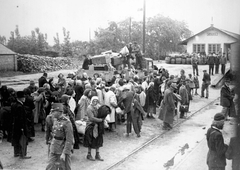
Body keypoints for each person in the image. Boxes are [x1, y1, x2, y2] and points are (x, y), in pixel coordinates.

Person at [46, 103, 74, 170]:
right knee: (50, 166)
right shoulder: (55, 119)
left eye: (53, 111)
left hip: (62, 148)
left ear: (59, 112)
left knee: (64, 167)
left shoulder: (67, 122)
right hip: (54, 147)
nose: (51, 113)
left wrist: (65, 153)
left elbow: (69, 139)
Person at [83, 96, 106, 161]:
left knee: (98, 140)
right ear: (91, 101)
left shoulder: (98, 107)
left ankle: (97, 154)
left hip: (97, 126)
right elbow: (91, 118)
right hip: (91, 125)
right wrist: (100, 120)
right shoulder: (89, 108)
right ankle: (89, 154)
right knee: (90, 140)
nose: (95, 102)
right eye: (94, 101)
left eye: (96, 101)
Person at [11, 91, 31, 159]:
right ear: (21, 98)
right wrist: (22, 127)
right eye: (23, 97)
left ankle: (16, 153)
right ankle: (23, 154)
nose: (24, 98)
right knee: (23, 140)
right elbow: (21, 118)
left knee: (16, 139)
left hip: (15, 125)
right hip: (21, 125)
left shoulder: (13, 104)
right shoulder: (20, 106)